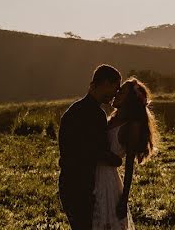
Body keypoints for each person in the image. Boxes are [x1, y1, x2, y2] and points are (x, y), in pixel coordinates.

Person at [58, 64, 123, 230]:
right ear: (106, 83)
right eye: (115, 88)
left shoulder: (73, 111)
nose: (115, 94)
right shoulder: (96, 115)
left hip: (68, 183)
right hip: (82, 186)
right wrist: (116, 159)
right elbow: (95, 151)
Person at [92, 77, 159, 230]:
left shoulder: (131, 126)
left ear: (129, 100)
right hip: (95, 175)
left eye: (121, 93)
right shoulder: (112, 119)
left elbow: (129, 165)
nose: (116, 95)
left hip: (108, 181)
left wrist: (124, 199)